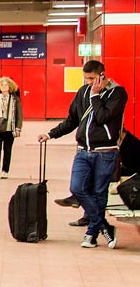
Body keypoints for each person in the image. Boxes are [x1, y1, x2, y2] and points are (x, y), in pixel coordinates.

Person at [39, 60, 129, 248]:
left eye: (92, 78)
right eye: (86, 78)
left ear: (102, 75)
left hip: (106, 152)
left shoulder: (118, 93)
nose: (88, 82)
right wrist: (50, 134)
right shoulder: (83, 92)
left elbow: (103, 117)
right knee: (77, 188)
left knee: (99, 193)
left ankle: (91, 234)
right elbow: (72, 120)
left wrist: (95, 96)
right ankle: (104, 227)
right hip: (83, 152)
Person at [0, 77, 22, 179]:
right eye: (2, 85)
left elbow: (19, 114)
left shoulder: (15, 99)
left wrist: (18, 128)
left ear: (10, 87)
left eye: (6, 85)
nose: (4, 87)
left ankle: (5, 171)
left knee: (7, 150)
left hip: (9, 128)